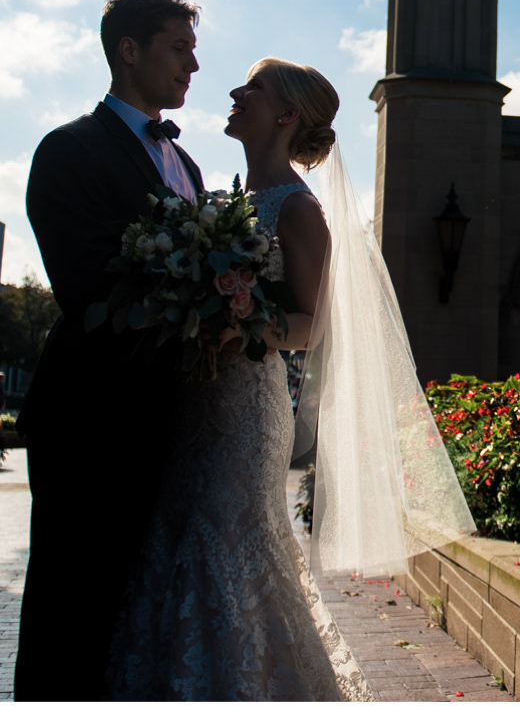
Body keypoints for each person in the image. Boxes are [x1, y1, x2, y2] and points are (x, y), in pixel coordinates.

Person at [103, 57, 347, 698]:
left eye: (254, 87)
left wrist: (248, 328)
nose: (236, 93)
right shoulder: (218, 198)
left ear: (288, 114)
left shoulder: (299, 210)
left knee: (228, 544)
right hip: (191, 402)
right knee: (180, 534)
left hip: (245, 409)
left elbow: (311, 324)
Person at [16, 0, 209, 700]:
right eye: (178, 47)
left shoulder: (187, 170)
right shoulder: (70, 150)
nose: (194, 63)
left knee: (135, 610)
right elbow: (86, 288)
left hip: (171, 423)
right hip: (91, 419)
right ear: (129, 50)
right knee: (72, 608)